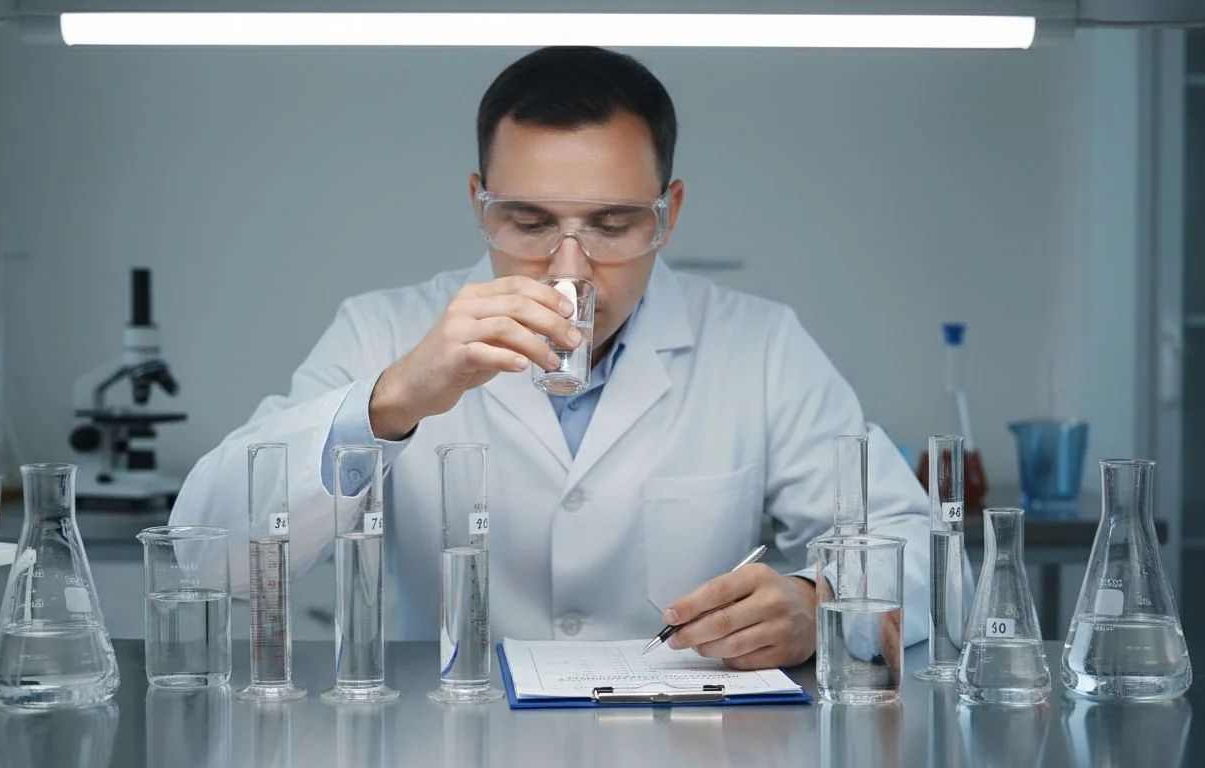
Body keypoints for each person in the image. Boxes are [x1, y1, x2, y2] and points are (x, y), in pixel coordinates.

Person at [170, 46, 930, 669]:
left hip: (685, 744)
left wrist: (816, 601)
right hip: (449, 734)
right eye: (528, 222)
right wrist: (394, 398)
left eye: (613, 223)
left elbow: (924, 553)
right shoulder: (380, 331)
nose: (570, 268)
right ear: (480, 204)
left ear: (670, 213)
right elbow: (209, 556)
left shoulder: (761, 346)